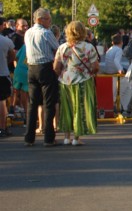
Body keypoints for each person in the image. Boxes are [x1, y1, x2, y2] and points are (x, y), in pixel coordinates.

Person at [54, 21, 100, 146]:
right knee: (79, 108)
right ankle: (76, 137)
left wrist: (63, 74)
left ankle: (66, 137)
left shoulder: (62, 47)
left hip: (65, 81)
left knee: (66, 108)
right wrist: (89, 72)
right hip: (82, 80)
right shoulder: (88, 47)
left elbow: (56, 67)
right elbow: (95, 66)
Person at [23, 8, 60, 147]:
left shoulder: (28, 33)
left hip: (31, 68)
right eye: (48, 19)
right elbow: (57, 49)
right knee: (49, 103)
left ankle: (29, 137)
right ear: (40, 20)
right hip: (45, 67)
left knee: (32, 103)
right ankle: (49, 137)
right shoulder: (46, 33)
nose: (50, 22)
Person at [0, 31, 16, 138]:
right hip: (2, 74)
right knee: (2, 102)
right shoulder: (6, 41)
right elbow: (12, 56)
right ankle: (2, 127)